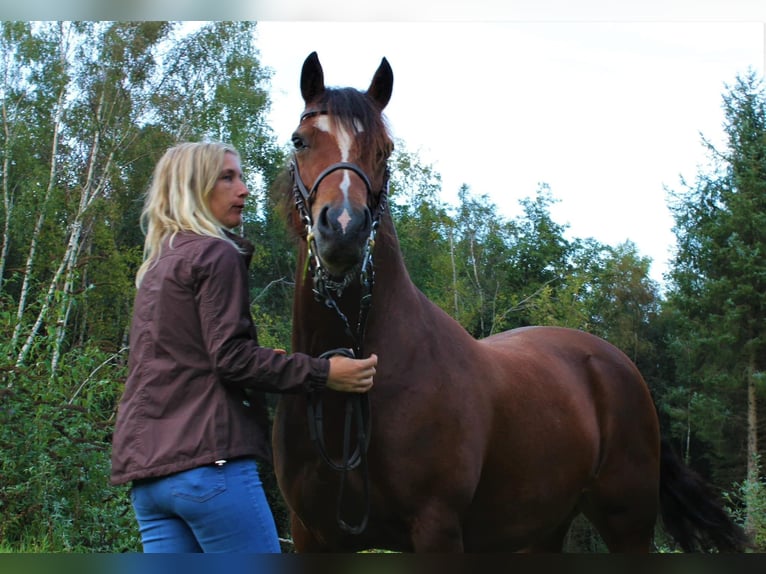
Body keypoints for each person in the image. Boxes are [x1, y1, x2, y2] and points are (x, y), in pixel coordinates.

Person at [110, 141, 377, 553]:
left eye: (241, 176)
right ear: (194, 187)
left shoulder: (159, 265)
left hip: (150, 480)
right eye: (227, 177)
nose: (244, 189)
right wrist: (326, 374)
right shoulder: (216, 253)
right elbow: (232, 359)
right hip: (210, 469)